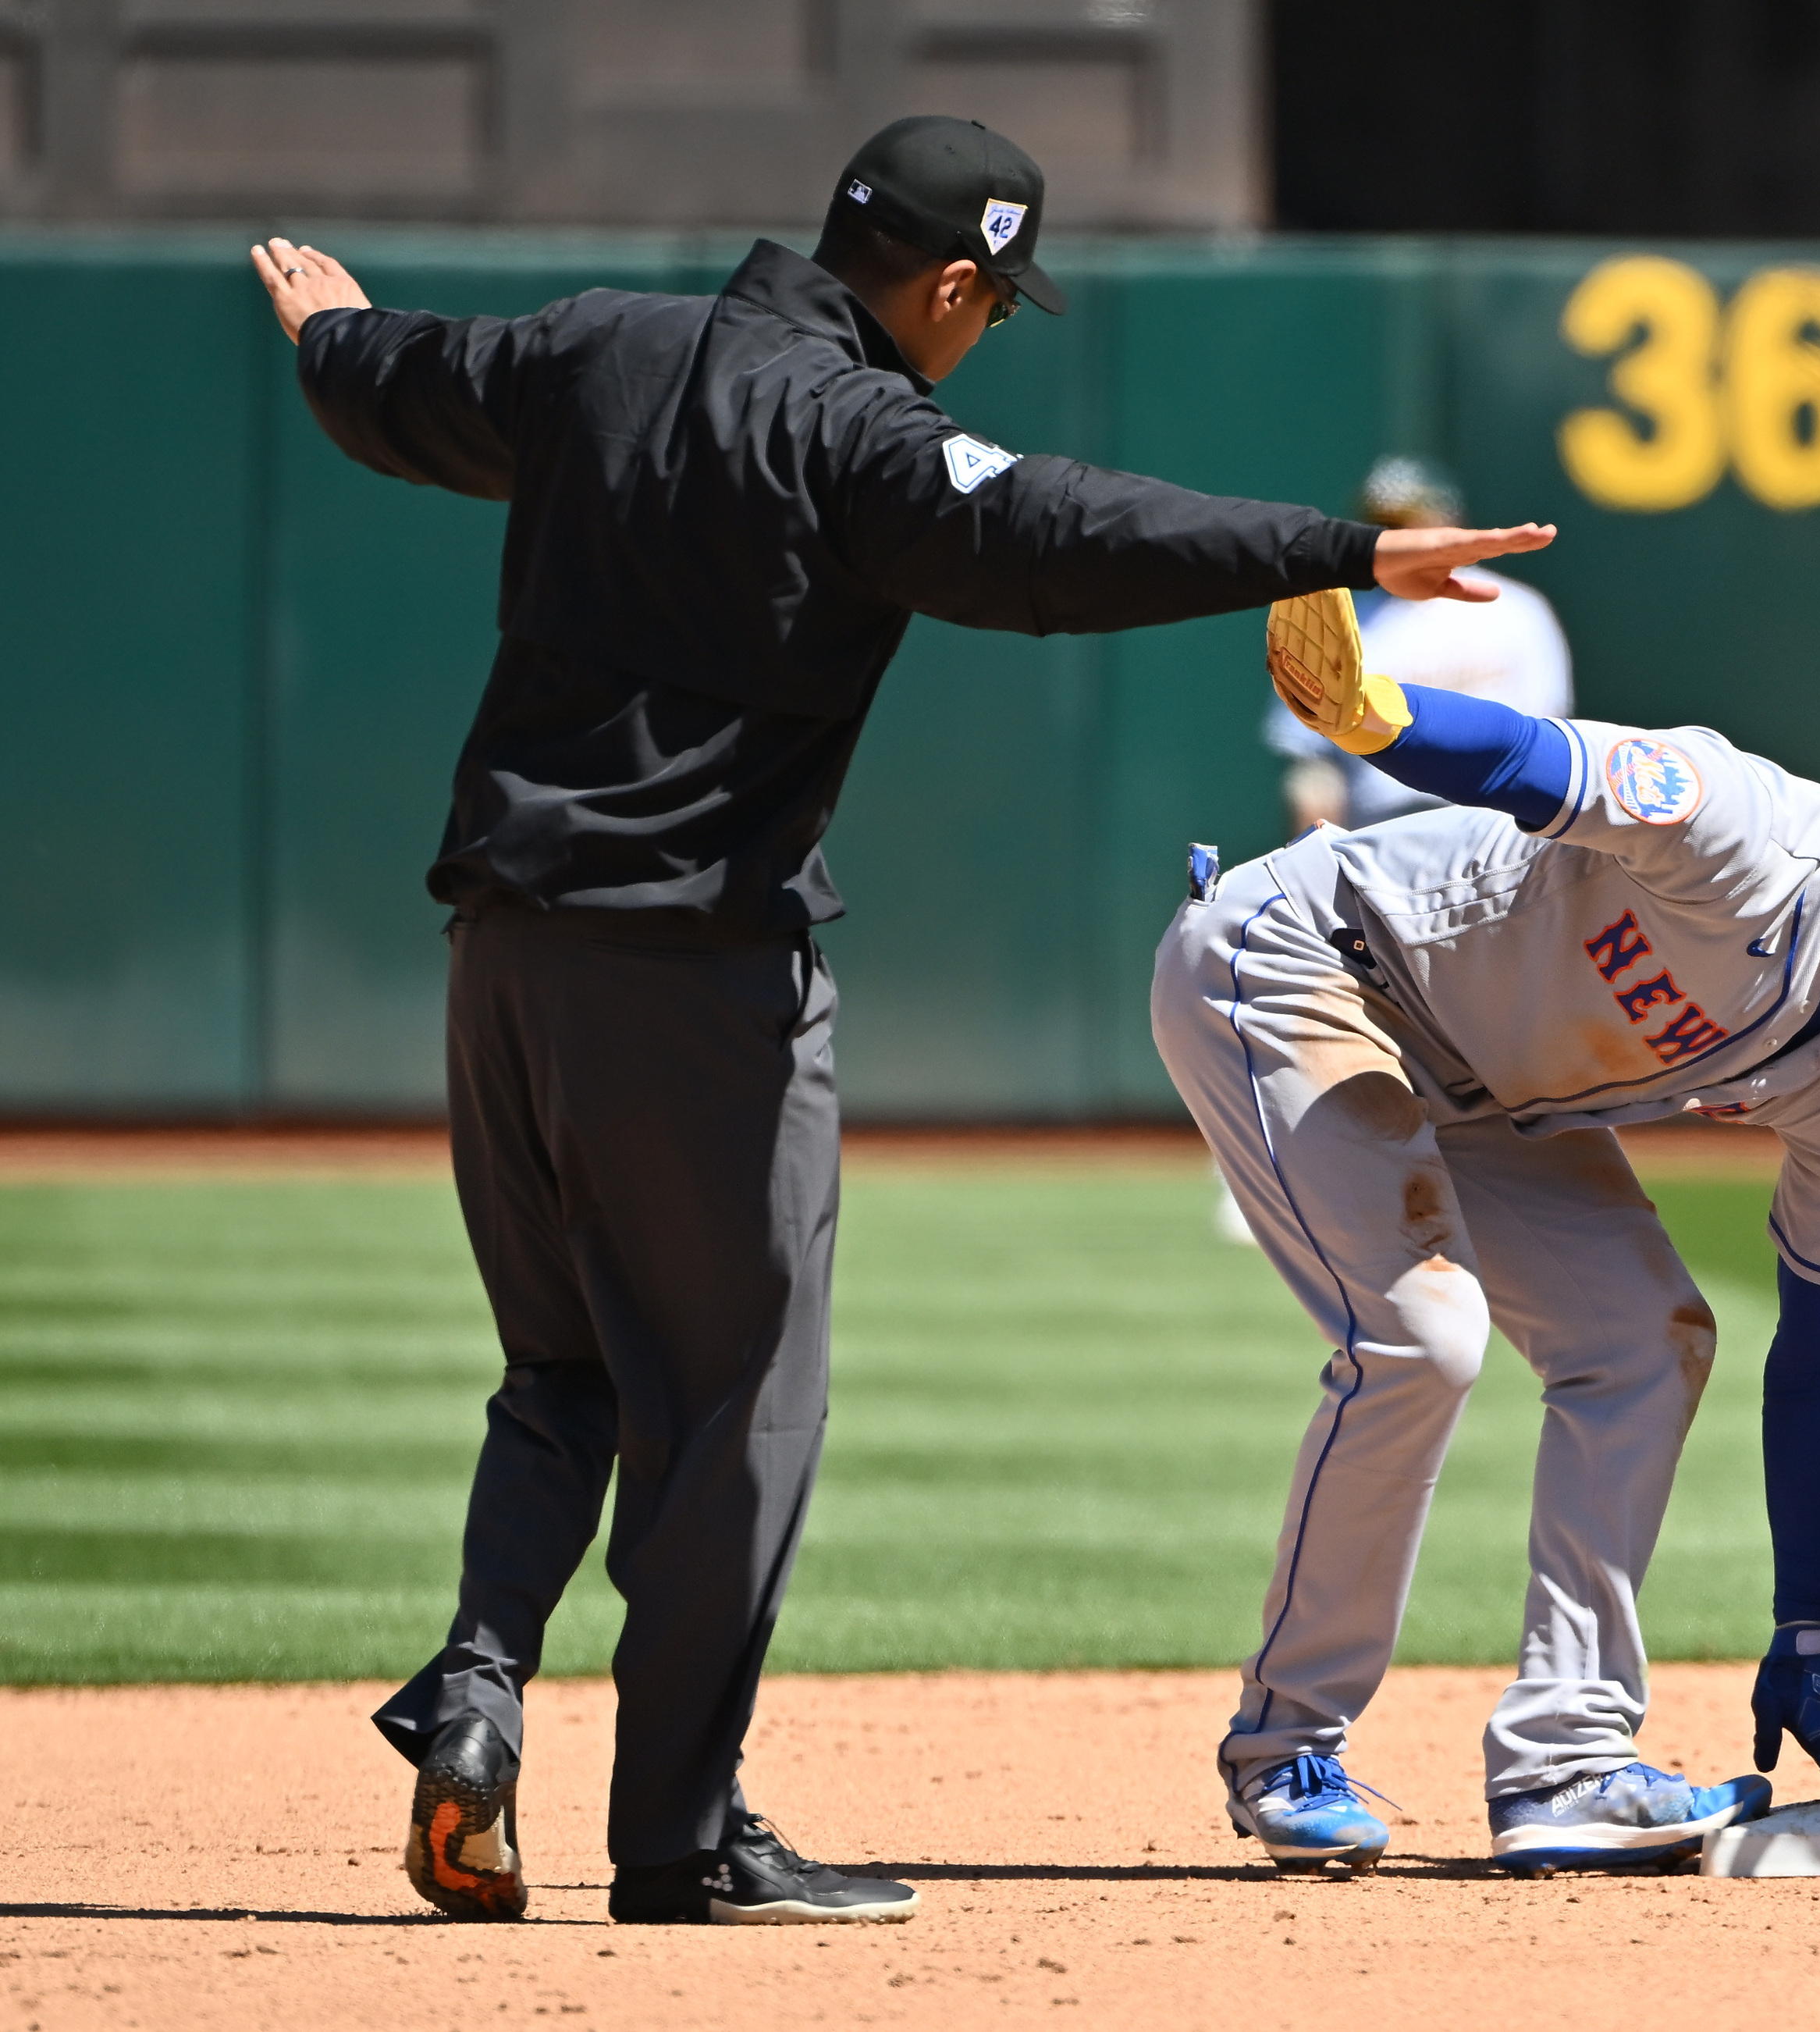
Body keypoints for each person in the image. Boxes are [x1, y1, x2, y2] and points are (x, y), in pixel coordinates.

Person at [249, 113, 1552, 1926]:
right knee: (735, 1406)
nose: (982, 333)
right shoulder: (860, 430)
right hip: (695, 971)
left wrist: (325, 333)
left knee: (565, 1366)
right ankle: (678, 1835)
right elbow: (1059, 535)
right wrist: (1330, 549)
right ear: (946, 282)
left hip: (500, 954)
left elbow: (388, 379)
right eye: (987, 307)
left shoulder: (586, 346)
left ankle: (475, 1692)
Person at [1152, 592, 1820, 1873]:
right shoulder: (1736, 824)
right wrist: (1377, 716)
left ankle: (1566, 1760)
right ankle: (1283, 1745)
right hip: (1301, 963)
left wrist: (1804, 1629)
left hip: (1485, 1088)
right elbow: (1537, 767)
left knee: (1650, 1342)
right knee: (1424, 1335)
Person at [1260, 455, 1574, 835]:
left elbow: (1551, 733)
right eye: (1385, 524)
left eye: (1408, 520)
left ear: (1447, 516)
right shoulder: (1344, 622)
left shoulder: (1516, 610)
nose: (1397, 535)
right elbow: (1314, 766)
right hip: (1388, 829)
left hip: (1500, 822)